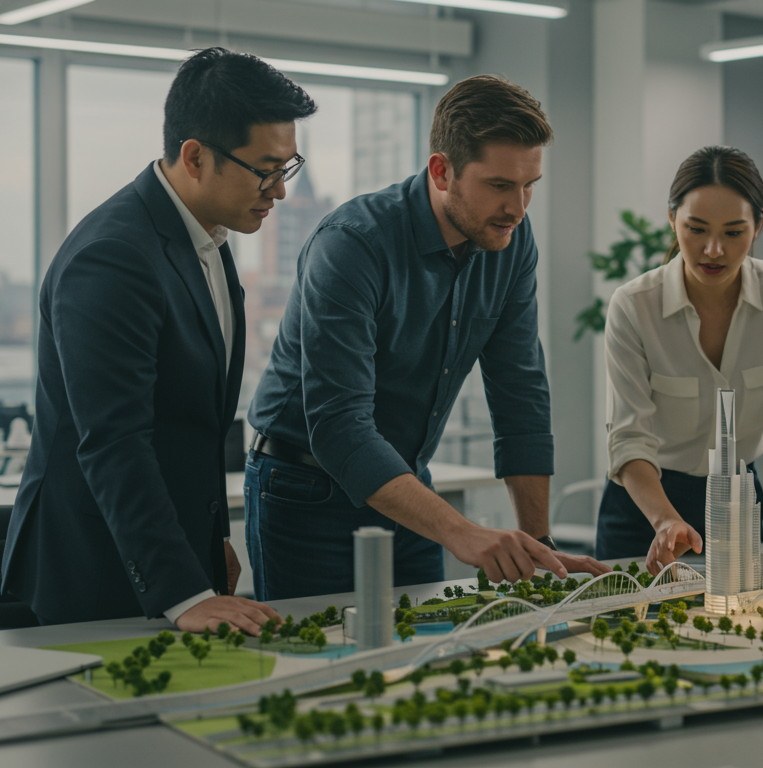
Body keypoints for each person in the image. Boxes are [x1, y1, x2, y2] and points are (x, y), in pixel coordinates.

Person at [247, 75, 607, 596]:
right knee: (315, 664)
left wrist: (538, 543)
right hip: (303, 489)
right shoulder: (352, 245)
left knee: (423, 655)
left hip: (408, 490)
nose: (519, 207)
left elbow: (520, 394)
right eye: (500, 185)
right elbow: (340, 426)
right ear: (442, 171)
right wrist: (463, 533)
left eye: (530, 185)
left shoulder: (510, 239)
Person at [2, 48, 315, 632]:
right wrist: (181, 588)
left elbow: (193, 426)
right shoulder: (113, 256)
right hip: (95, 566)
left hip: (171, 552)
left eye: (286, 169)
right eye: (264, 170)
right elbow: (114, 440)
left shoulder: (207, 239)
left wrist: (208, 541)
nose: (278, 192)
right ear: (195, 157)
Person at [601, 146, 763, 574]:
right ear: (672, 219)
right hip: (645, 510)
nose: (713, 250)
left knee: (751, 627)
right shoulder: (634, 305)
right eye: (696, 229)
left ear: (758, 226)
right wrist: (666, 520)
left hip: (739, 500)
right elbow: (629, 436)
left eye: (733, 232)